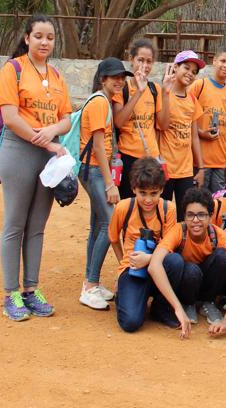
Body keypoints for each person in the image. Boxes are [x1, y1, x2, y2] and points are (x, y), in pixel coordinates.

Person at [0, 15, 72, 321]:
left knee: (37, 225)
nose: (44, 42)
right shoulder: (12, 70)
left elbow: (66, 118)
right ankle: (10, 294)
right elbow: (10, 117)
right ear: (27, 38)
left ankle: (30, 289)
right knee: (15, 223)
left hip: (47, 155)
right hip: (19, 151)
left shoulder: (56, 75)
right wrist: (46, 141)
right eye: (38, 36)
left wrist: (53, 132)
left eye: (49, 37)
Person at [148, 186, 226, 338]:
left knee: (223, 257)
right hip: (186, 282)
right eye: (190, 215)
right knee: (189, 269)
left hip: (207, 283)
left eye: (201, 215)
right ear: (184, 217)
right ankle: (186, 304)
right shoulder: (179, 231)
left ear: (210, 216)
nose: (195, 220)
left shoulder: (219, 236)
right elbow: (154, 265)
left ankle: (208, 302)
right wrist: (177, 308)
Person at [79, 57, 132, 310]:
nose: (120, 81)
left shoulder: (104, 101)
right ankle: (90, 285)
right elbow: (99, 146)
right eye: (115, 77)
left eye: (122, 77)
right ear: (103, 79)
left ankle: (91, 282)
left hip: (94, 170)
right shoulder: (100, 102)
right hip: (94, 170)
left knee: (98, 225)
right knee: (109, 224)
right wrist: (110, 184)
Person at [108, 157, 177, 332]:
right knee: (130, 322)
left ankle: (160, 307)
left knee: (176, 261)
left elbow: (170, 247)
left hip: (159, 265)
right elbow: (114, 239)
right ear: (133, 189)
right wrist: (123, 264)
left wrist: (149, 259)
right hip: (133, 268)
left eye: (154, 193)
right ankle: (128, 294)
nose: (148, 199)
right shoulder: (123, 207)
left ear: (161, 190)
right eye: (142, 193)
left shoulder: (168, 209)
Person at [113, 38, 172, 199]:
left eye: (149, 61)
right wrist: (138, 92)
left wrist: (166, 93)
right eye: (140, 60)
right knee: (129, 203)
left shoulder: (154, 89)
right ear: (131, 60)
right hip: (128, 157)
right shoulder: (122, 88)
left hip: (151, 157)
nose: (144, 65)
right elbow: (119, 122)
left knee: (150, 203)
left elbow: (163, 125)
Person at [160, 50, 205, 219]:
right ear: (175, 67)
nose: (190, 73)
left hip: (185, 170)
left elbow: (194, 136)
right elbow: (160, 127)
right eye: (186, 68)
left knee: (184, 216)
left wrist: (200, 168)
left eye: (194, 71)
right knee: (162, 215)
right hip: (164, 168)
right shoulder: (163, 95)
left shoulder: (192, 100)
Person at [190, 46, 226, 194]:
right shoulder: (200, 86)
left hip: (221, 163)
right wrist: (201, 133)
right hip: (199, 162)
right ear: (214, 61)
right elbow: (184, 118)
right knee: (199, 202)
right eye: (222, 61)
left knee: (219, 204)